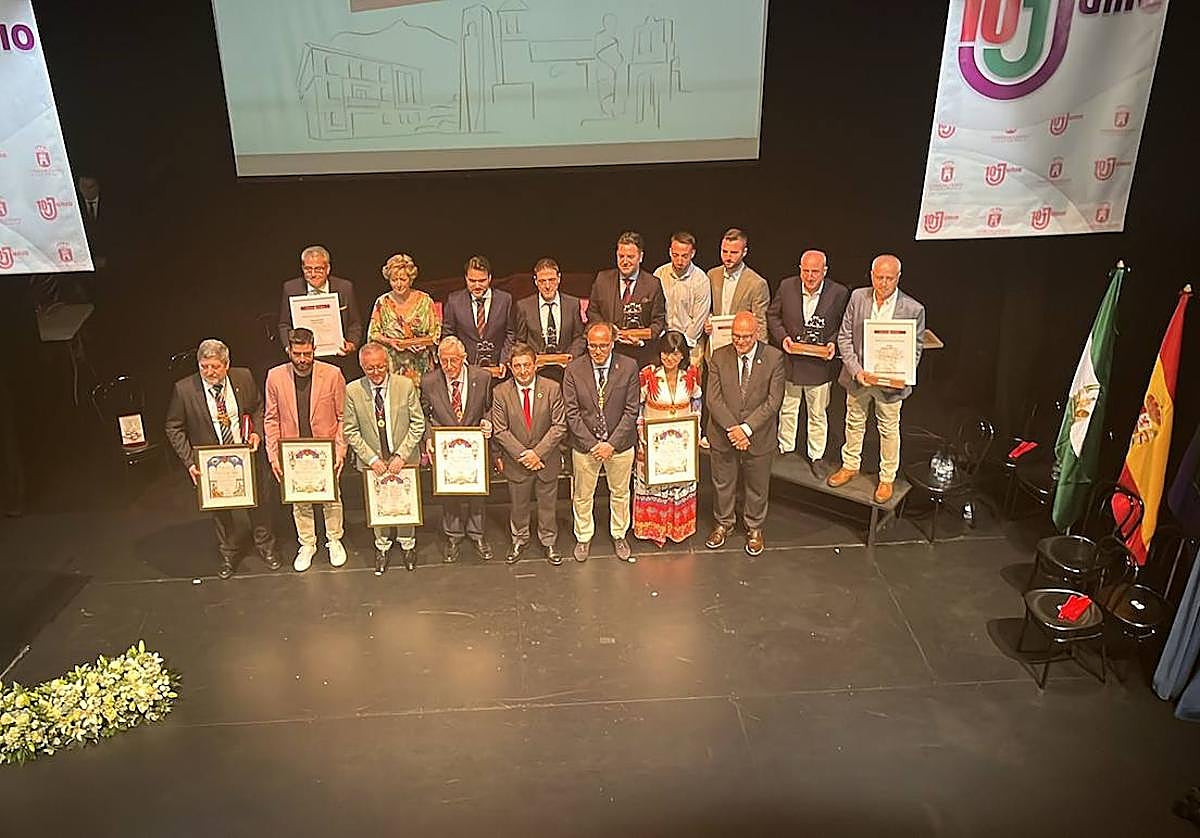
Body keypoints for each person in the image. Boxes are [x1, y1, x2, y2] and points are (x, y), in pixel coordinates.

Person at [164, 339, 280, 579]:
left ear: (226, 364)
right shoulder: (184, 390)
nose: (209, 372)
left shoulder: (244, 378)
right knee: (221, 511)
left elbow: (258, 407)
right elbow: (173, 427)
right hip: (212, 463)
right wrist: (189, 462)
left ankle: (266, 548)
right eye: (204, 366)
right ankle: (228, 554)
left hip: (246, 454)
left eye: (215, 366)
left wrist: (257, 432)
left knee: (261, 503)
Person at [827, 254, 926, 504]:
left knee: (889, 429)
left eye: (889, 278)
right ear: (871, 275)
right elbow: (844, 337)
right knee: (854, 422)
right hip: (860, 377)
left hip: (890, 384)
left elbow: (915, 348)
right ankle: (850, 465)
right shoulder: (858, 297)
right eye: (879, 277)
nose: (883, 283)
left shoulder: (913, 309)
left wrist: (903, 374)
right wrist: (856, 371)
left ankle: (887, 478)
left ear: (898, 278)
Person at [265, 328, 348, 572]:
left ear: (314, 350)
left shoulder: (333, 374)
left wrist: (340, 449)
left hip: (325, 448)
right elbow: (271, 418)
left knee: (331, 497)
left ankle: (334, 539)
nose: (302, 359)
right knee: (300, 499)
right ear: (289, 351)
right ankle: (308, 543)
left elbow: (344, 416)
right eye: (298, 353)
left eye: (307, 353)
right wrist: (274, 455)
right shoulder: (275, 376)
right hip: (292, 451)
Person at [705, 311, 786, 556]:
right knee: (723, 483)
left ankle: (754, 527)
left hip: (758, 435)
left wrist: (747, 429)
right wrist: (733, 429)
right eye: (736, 337)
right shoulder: (719, 356)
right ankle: (723, 523)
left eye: (746, 337)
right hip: (723, 433)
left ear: (757, 334)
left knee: (757, 485)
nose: (740, 342)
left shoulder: (774, 358)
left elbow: (773, 401)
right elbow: (713, 399)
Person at [768, 249, 851, 479]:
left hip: (819, 366)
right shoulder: (787, 287)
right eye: (806, 271)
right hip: (791, 361)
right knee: (788, 408)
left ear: (824, 271)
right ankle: (785, 448)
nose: (810, 276)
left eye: (815, 271)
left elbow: (843, 326)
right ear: (800, 269)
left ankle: (816, 456)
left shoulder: (838, 292)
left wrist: (834, 345)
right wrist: (782, 337)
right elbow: (772, 316)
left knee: (817, 413)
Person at [343, 341, 425, 575]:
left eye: (380, 367)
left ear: (388, 364)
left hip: (404, 458)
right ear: (362, 367)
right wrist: (371, 459)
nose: (377, 373)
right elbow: (350, 430)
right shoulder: (353, 390)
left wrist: (402, 454)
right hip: (374, 463)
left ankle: (408, 545)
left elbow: (418, 423)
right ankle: (382, 546)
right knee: (379, 504)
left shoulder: (405, 385)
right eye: (371, 368)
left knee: (405, 504)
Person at [562, 321, 641, 563]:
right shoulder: (574, 369)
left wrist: (611, 444)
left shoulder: (628, 366)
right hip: (586, 446)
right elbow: (571, 413)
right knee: (583, 494)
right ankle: (583, 536)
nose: (597, 351)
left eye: (603, 346)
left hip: (619, 444)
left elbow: (631, 410)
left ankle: (619, 534)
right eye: (592, 346)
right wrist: (593, 444)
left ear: (612, 343)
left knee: (620, 493)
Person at [490, 342, 568, 565]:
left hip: (546, 461)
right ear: (511, 367)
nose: (523, 371)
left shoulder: (552, 388)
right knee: (518, 506)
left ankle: (548, 540)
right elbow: (500, 430)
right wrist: (524, 454)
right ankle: (519, 539)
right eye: (517, 366)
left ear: (535, 365)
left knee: (547, 505)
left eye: (526, 365)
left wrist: (538, 454)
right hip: (517, 462)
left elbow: (559, 426)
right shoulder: (500, 392)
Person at [420, 337, 495, 563]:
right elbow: (423, 414)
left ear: (464, 358)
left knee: (477, 492)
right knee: (449, 493)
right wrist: (429, 436)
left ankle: (477, 534)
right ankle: (453, 536)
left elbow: (491, 408)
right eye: (444, 361)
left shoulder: (482, 377)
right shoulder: (429, 381)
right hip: (446, 447)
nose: (449, 366)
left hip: (474, 447)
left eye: (454, 360)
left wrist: (488, 422)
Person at [633, 331, 703, 547]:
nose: (669, 358)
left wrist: (694, 432)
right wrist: (642, 433)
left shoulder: (690, 375)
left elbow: (697, 402)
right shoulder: (649, 376)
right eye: (665, 353)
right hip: (653, 442)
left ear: (682, 355)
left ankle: (676, 528)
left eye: (674, 354)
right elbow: (638, 406)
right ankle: (654, 528)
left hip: (681, 443)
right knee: (655, 483)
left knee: (678, 481)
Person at [277, 245, 363, 381]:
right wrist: (289, 347)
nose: (313, 274)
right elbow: (284, 324)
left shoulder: (344, 288)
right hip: (304, 360)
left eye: (318, 269)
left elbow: (355, 323)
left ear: (328, 268)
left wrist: (352, 344)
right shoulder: (291, 288)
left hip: (338, 358)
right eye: (308, 269)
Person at [586, 231, 667, 368]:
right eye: (621, 256)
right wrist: (610, 331)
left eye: (630, 257)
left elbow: (658, 321)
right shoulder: (602, 280)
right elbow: (592, 312)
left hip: (642, 356)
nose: (625, 261)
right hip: (610, 355)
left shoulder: (653, 284)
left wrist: (641, 340)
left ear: (640, 257)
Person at [367, 253, 441, 386]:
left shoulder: (425, 300)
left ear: (411, 279)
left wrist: (425, 343)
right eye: (394, 280)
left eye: (403, 279)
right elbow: (373, 334)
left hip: (421, 366)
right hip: (394, 368)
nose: (399, 284)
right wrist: (390, 341)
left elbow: (436, 332)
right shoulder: (382, 302)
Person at [513, 257, 587, 382]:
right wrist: (529, 362)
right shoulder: (523, 306)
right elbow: (520, 340)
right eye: (542, 281)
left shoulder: (573, 304)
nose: (547, 286)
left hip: (566, 371)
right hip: (536, 372)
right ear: (535, 281)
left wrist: (571, 357)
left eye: (551, 280)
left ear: (559, 278)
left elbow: (579, 337)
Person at [442, 255, 514, 375]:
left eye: (482, 281)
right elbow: (448, 335)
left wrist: (505, 360)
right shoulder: (454, 301)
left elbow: (511, 333)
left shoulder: (505, 300)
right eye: (472, 281)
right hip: (466, 369)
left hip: (497, 369)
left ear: (490, 278)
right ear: (466, 278)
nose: (477, 286)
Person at [653, 231, 710, 370]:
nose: (679, 261)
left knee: (689, 385)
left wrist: (680, 346)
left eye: (684, 256)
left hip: (690, 343)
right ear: (670, 251)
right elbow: (655, 311)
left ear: (693, 254)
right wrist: (665, 343)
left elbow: (699, 319)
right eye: (675, 255)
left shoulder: (701, 280)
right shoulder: (659, 274)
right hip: (663, 342)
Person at [705, 228, 769, 347]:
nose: (728, 257)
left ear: (744, 252)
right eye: (724, 251)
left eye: (734, 253)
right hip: (715, 346)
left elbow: (760, 324)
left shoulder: (756, 283)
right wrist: (707, 322)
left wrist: (760, 355)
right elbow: (707, 309)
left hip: (741, 346)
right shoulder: (712, 275)